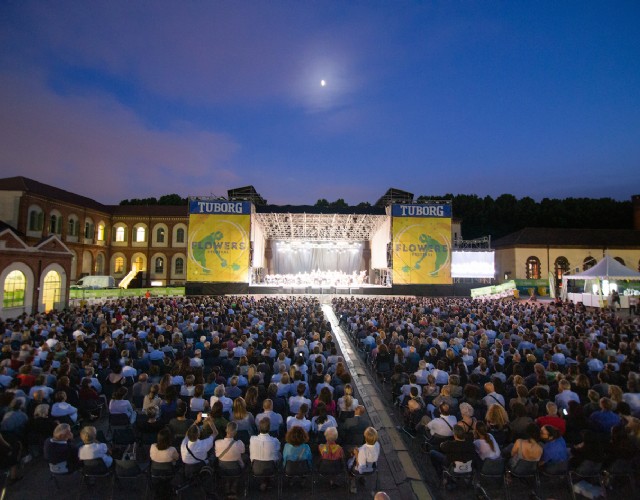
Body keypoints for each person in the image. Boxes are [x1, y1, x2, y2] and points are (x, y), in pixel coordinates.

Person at [249, 417, 281, 492]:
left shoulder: (252, 439)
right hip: (271, 468)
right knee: (278, 454)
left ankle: (265, 481)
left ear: (259, 428)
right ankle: (266, 480)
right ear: (269, 428)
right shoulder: (274, 440)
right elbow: (278, 449)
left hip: (256, 468)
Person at [215, 422, 246, 498]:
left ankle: (227, 485)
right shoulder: (239, 443)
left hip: (222, 469)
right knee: (244, 459)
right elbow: (243, 452)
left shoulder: (217, 443)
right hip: (236, 469)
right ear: (235, 432)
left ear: (226, 430)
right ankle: (234, 486)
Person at [348, 427, 381, 494]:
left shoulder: (363, 450)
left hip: (361, 470)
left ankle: (353, 485)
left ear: (365, 438)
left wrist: (357, 454)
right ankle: (363, 478)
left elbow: (361, 469)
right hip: (372, 468)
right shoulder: (377, 444)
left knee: (350, 466)